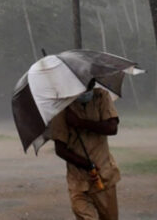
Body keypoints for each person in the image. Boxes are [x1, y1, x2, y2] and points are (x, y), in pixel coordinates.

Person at [50, 82, 120, 220]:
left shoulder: (101, 96)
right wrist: (86, 164)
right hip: (78, 181)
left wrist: (80, 123)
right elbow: (60, 149)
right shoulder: (62, 107)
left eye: (91, 83)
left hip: (104, 176)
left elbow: (112, 128)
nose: (88, 88)